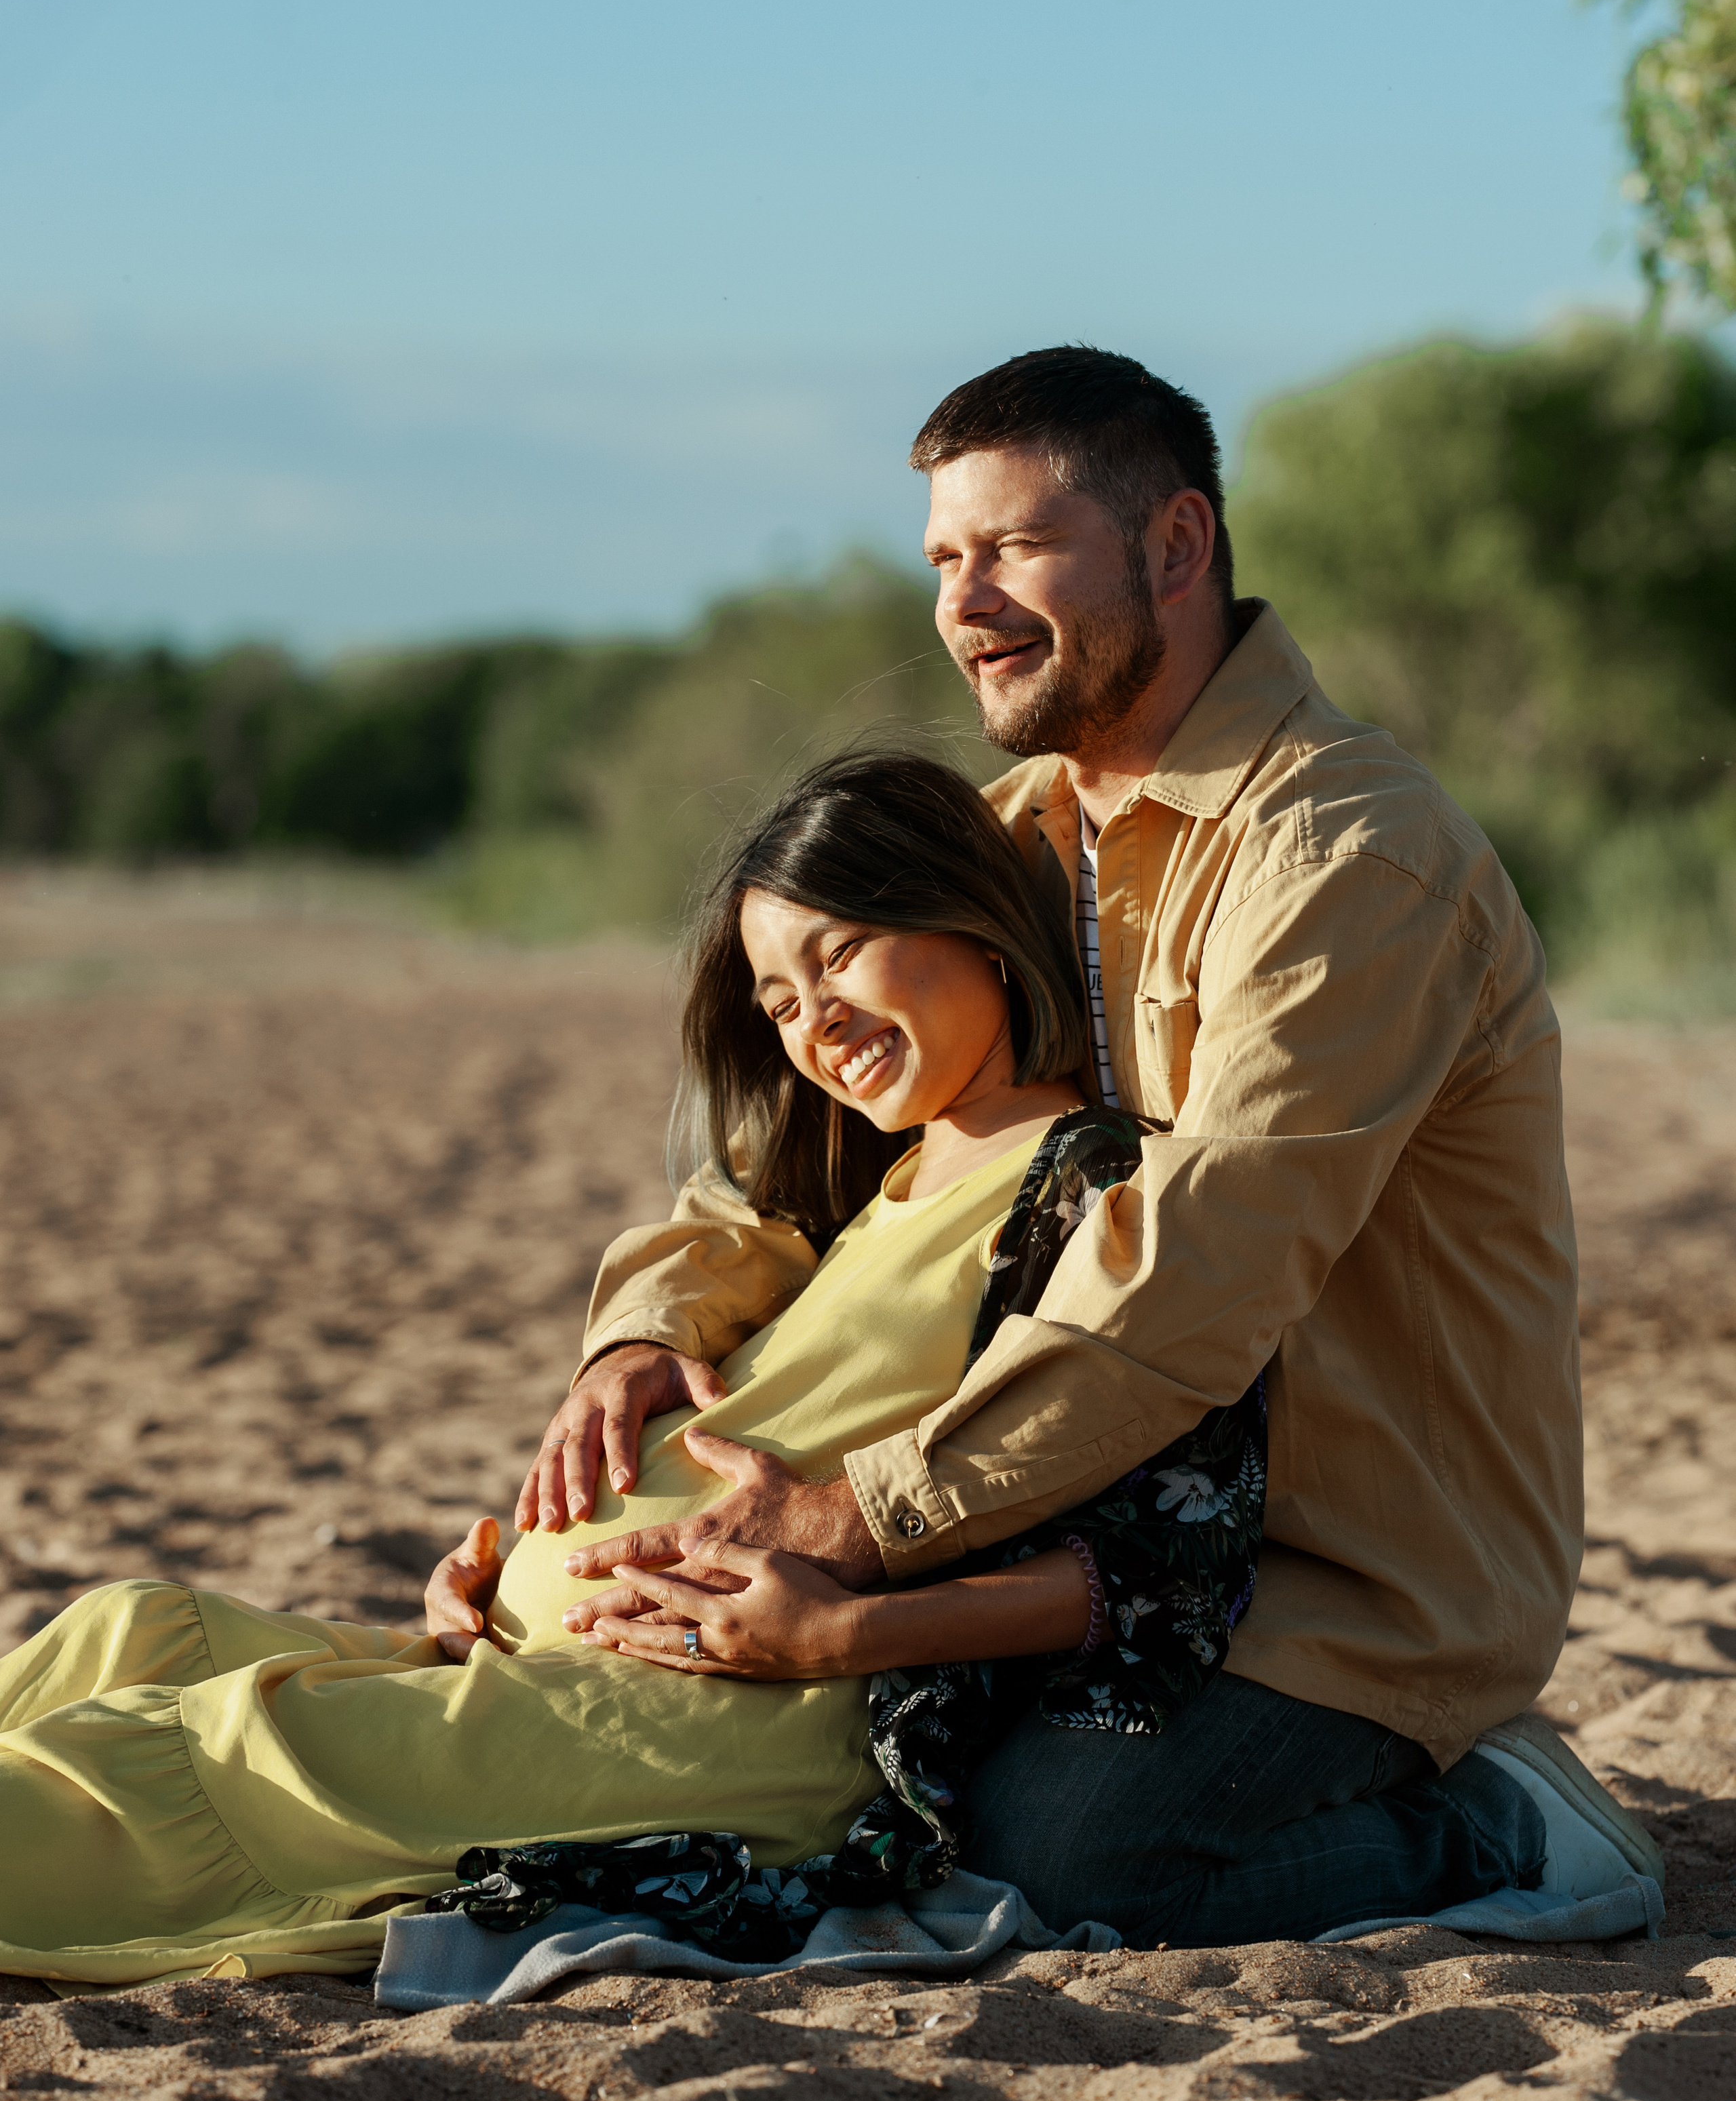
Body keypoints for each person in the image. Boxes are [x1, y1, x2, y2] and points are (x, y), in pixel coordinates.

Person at [544, 343, 1665, 1944]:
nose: (963, 603)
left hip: (1331, 1572)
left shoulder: (1352, 856)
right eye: (942, 558)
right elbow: (787, 1153)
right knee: (819, 1776)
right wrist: (642, 1337)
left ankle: (1490, 1821)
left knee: (1071, 1857)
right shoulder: (1006, 842)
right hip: (1067, 1524)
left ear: (1176, 548)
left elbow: (1203, 1253)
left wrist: (869, 1519)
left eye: (1011, 548)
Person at [0, 755, 1257, 1988]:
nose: (813, 1022)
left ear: (974, 923)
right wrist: (525, 1561)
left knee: (225, 1747)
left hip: (741, 1710)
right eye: (777, 1000)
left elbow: (1170, 1562)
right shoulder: (861, 1185)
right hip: (531, 1657)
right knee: (136, 1628)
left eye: (838, 955)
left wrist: (844, 1631)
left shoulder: (1092, 1183)